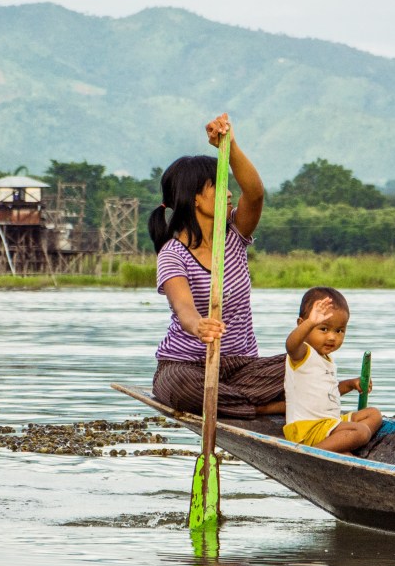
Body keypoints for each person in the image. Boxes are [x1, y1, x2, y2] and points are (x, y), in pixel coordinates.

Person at [148, 113, 285, 418]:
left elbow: (255, 192)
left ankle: (237, 404)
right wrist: (200, 325)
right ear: (195, 198)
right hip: (187, 366)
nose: (229, 192)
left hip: (243, 368)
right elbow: (184, 309)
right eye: (219, 186)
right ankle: (261, 408)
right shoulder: (173, 254)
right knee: (184, 389)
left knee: (306, 366)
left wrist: (229, 145)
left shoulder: (234, 235)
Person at [283, 287, 382, 453]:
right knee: (362, 431)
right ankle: (312, 455)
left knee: (373, 414)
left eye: (339, 331)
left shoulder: (326, 359)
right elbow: (290, 345)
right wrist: (310, 323)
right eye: (323, 329)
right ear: (302, 324)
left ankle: (339, 445)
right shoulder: (302, 353)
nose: (332, 337)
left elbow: (330, 393)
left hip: (328, 423)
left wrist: (351, 384)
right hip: (308, 429)